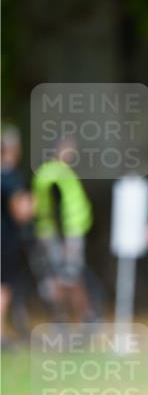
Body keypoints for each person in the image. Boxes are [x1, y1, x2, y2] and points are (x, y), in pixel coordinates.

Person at [31, 139, 94, 323]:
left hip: (64, 232)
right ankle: (72, 318)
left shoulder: (50, 172)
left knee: (62, 276)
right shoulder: (56, 174)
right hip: (63, 234)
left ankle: (67, 319)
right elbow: (55, 207)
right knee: (66, 277)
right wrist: (63, 238)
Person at [1, 125, 33, 344]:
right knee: (3, 286)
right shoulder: (11, 177)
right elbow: (20, 213)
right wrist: (36, 203)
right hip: (6, 238)